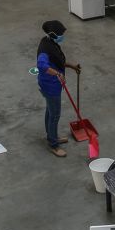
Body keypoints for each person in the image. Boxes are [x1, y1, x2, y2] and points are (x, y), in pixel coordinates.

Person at [36, 20, 80, 157]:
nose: (62, 36)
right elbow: (42, 65)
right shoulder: (44, 49)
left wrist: (72, 66)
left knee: (50, 111)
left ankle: (51, 136)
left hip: (52, 84)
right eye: (61, 34)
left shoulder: (50, 42)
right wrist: (58, 74)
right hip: (50, 86)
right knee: (54, 115)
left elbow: (57, 60)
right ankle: (53, 145)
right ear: (53, 34)